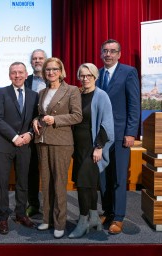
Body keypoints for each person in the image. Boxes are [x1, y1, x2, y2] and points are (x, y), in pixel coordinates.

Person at [33, 57, 82, 239]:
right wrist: (35, 120)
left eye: (54, 69)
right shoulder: (42, 92)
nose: (51, 72)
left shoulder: (71, 90)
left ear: (61, 71)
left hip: (61, 141)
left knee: (59, 183)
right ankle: (47, 219)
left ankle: (60, 222)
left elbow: (77, 116)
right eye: (47, 70)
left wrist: (56, 120)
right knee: (45, 182)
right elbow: (40, 114)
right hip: (43, 141)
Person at [96, 39, 141, 235]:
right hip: (100, 137)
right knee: (103, 177)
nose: (108, 54)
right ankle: (107, 211)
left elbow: (134, 104)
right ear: (101, 53)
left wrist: (131, 132)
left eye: (112, 51)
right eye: (105, 51)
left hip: (122, 135)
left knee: (119, 178)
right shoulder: (96, 74)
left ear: (119, 54)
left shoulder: (128, 72)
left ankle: (119, 217)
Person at [68, 63, 114, 239]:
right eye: (82, 75)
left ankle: (82, 222)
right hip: (78, 148)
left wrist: (99, 147)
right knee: (89, 184)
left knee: (83, 185)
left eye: (89, 75)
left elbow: (107, 123)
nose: (85, 78)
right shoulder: (77, 94)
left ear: (95, 77)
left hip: (93, 147)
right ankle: (94, 217)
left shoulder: (101, 96)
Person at [0, 62, 39, 235]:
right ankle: (2, 217)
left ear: (27, 74)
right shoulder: (1, 93)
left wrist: (29, 135)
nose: (17, 75)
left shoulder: (35, 95)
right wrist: (14, 137)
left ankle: (21, 214)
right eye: (14, 73)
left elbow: (37, 119)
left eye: (20, 72)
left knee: (23, 182)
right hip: (4, 144)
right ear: (9, 75)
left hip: (25, 145)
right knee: (2, 183)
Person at [24, 49, 47, 218]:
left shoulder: (55, 79)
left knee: (49, 170)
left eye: (40, 58)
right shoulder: (26, 80)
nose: (37, 61)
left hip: (51, 131)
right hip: (30, 132)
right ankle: (33, 204)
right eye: (34, 59)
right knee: (31, 170)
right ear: (31, 62)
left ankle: (50, 206)